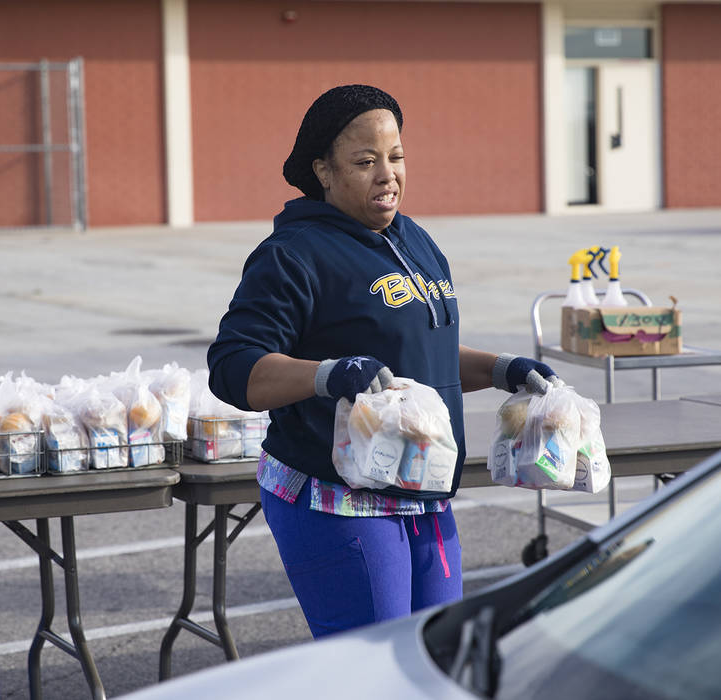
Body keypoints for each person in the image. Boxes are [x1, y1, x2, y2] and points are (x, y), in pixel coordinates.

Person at [207, 84, 558, 639]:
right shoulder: (292, 255)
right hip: (336, 499)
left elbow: (419, 361)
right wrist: (327, 375)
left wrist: (500, 369)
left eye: (396, 157)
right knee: (374, 670)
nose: (387, 174)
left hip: (423, 486)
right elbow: (234, 366)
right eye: (365, 162)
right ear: (323, 170)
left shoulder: (414, 239)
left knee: (436, 653)